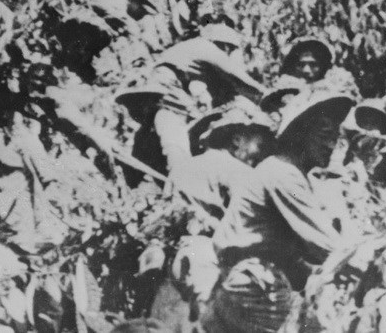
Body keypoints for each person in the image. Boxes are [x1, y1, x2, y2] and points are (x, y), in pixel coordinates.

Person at [200, 93, 356, 332]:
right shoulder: (283, 173)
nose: (331, 146)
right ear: (300, 134)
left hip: (249, 282)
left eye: (334, 138)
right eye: (324, 136)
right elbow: (327, 245)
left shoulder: (287, 171)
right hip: (255, 286)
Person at [116, 23, 266, 187]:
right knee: (176, 141)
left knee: (154, 136)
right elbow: (236, 76)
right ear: (224, 45)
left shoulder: (188, 47)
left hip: (155, 91)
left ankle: (135, 177)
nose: (228, 54)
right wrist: (265, 95)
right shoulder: (207, 48)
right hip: (168, 92)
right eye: (229, 50)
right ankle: (181, 182)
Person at [277, 36, 361, 99]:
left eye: (313, 65)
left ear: (323, 65)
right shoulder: (285, 88)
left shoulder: (338, 86)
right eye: (301, 65)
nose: (306, 70)